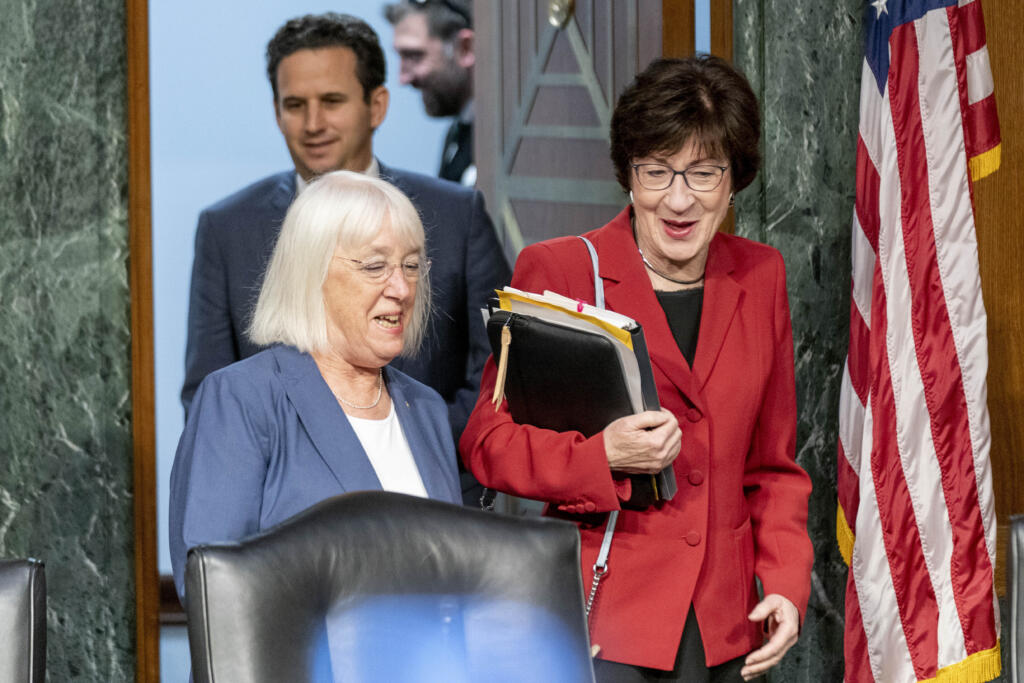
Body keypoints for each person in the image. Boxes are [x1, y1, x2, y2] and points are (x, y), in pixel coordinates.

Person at [460, 56, 813, 682]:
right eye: (657, 172)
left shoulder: (762, 275)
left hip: (726, 628)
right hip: (607, 624)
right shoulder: (561, 270)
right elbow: (488, 444)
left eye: (703, 174)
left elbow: (773, 465)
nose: (679, 200)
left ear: (735, 181)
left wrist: (785, 581)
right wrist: (602, 458)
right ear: (629, 174)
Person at [181, 13, 509, 473]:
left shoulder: (456, 217)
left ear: (376, 106)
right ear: (277, 112)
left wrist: (415, 450)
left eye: (332, 101)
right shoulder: (227, 229)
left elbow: (498, 372)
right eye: (295, 104)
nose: (313, 123)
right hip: (285, 519)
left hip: (436, 499)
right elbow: (207, 398)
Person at [170, 171, 462, 601]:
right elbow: (213, 592)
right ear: (311, 274)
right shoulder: (241, 401)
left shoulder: (425, 408)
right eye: (375, 266)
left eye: (412, 266)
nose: (401, 288)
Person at [384, 0, 476, 185]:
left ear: (465, 48)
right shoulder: (456, 136)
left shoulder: (503, 141)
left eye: (414, 55)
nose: (403, 78)